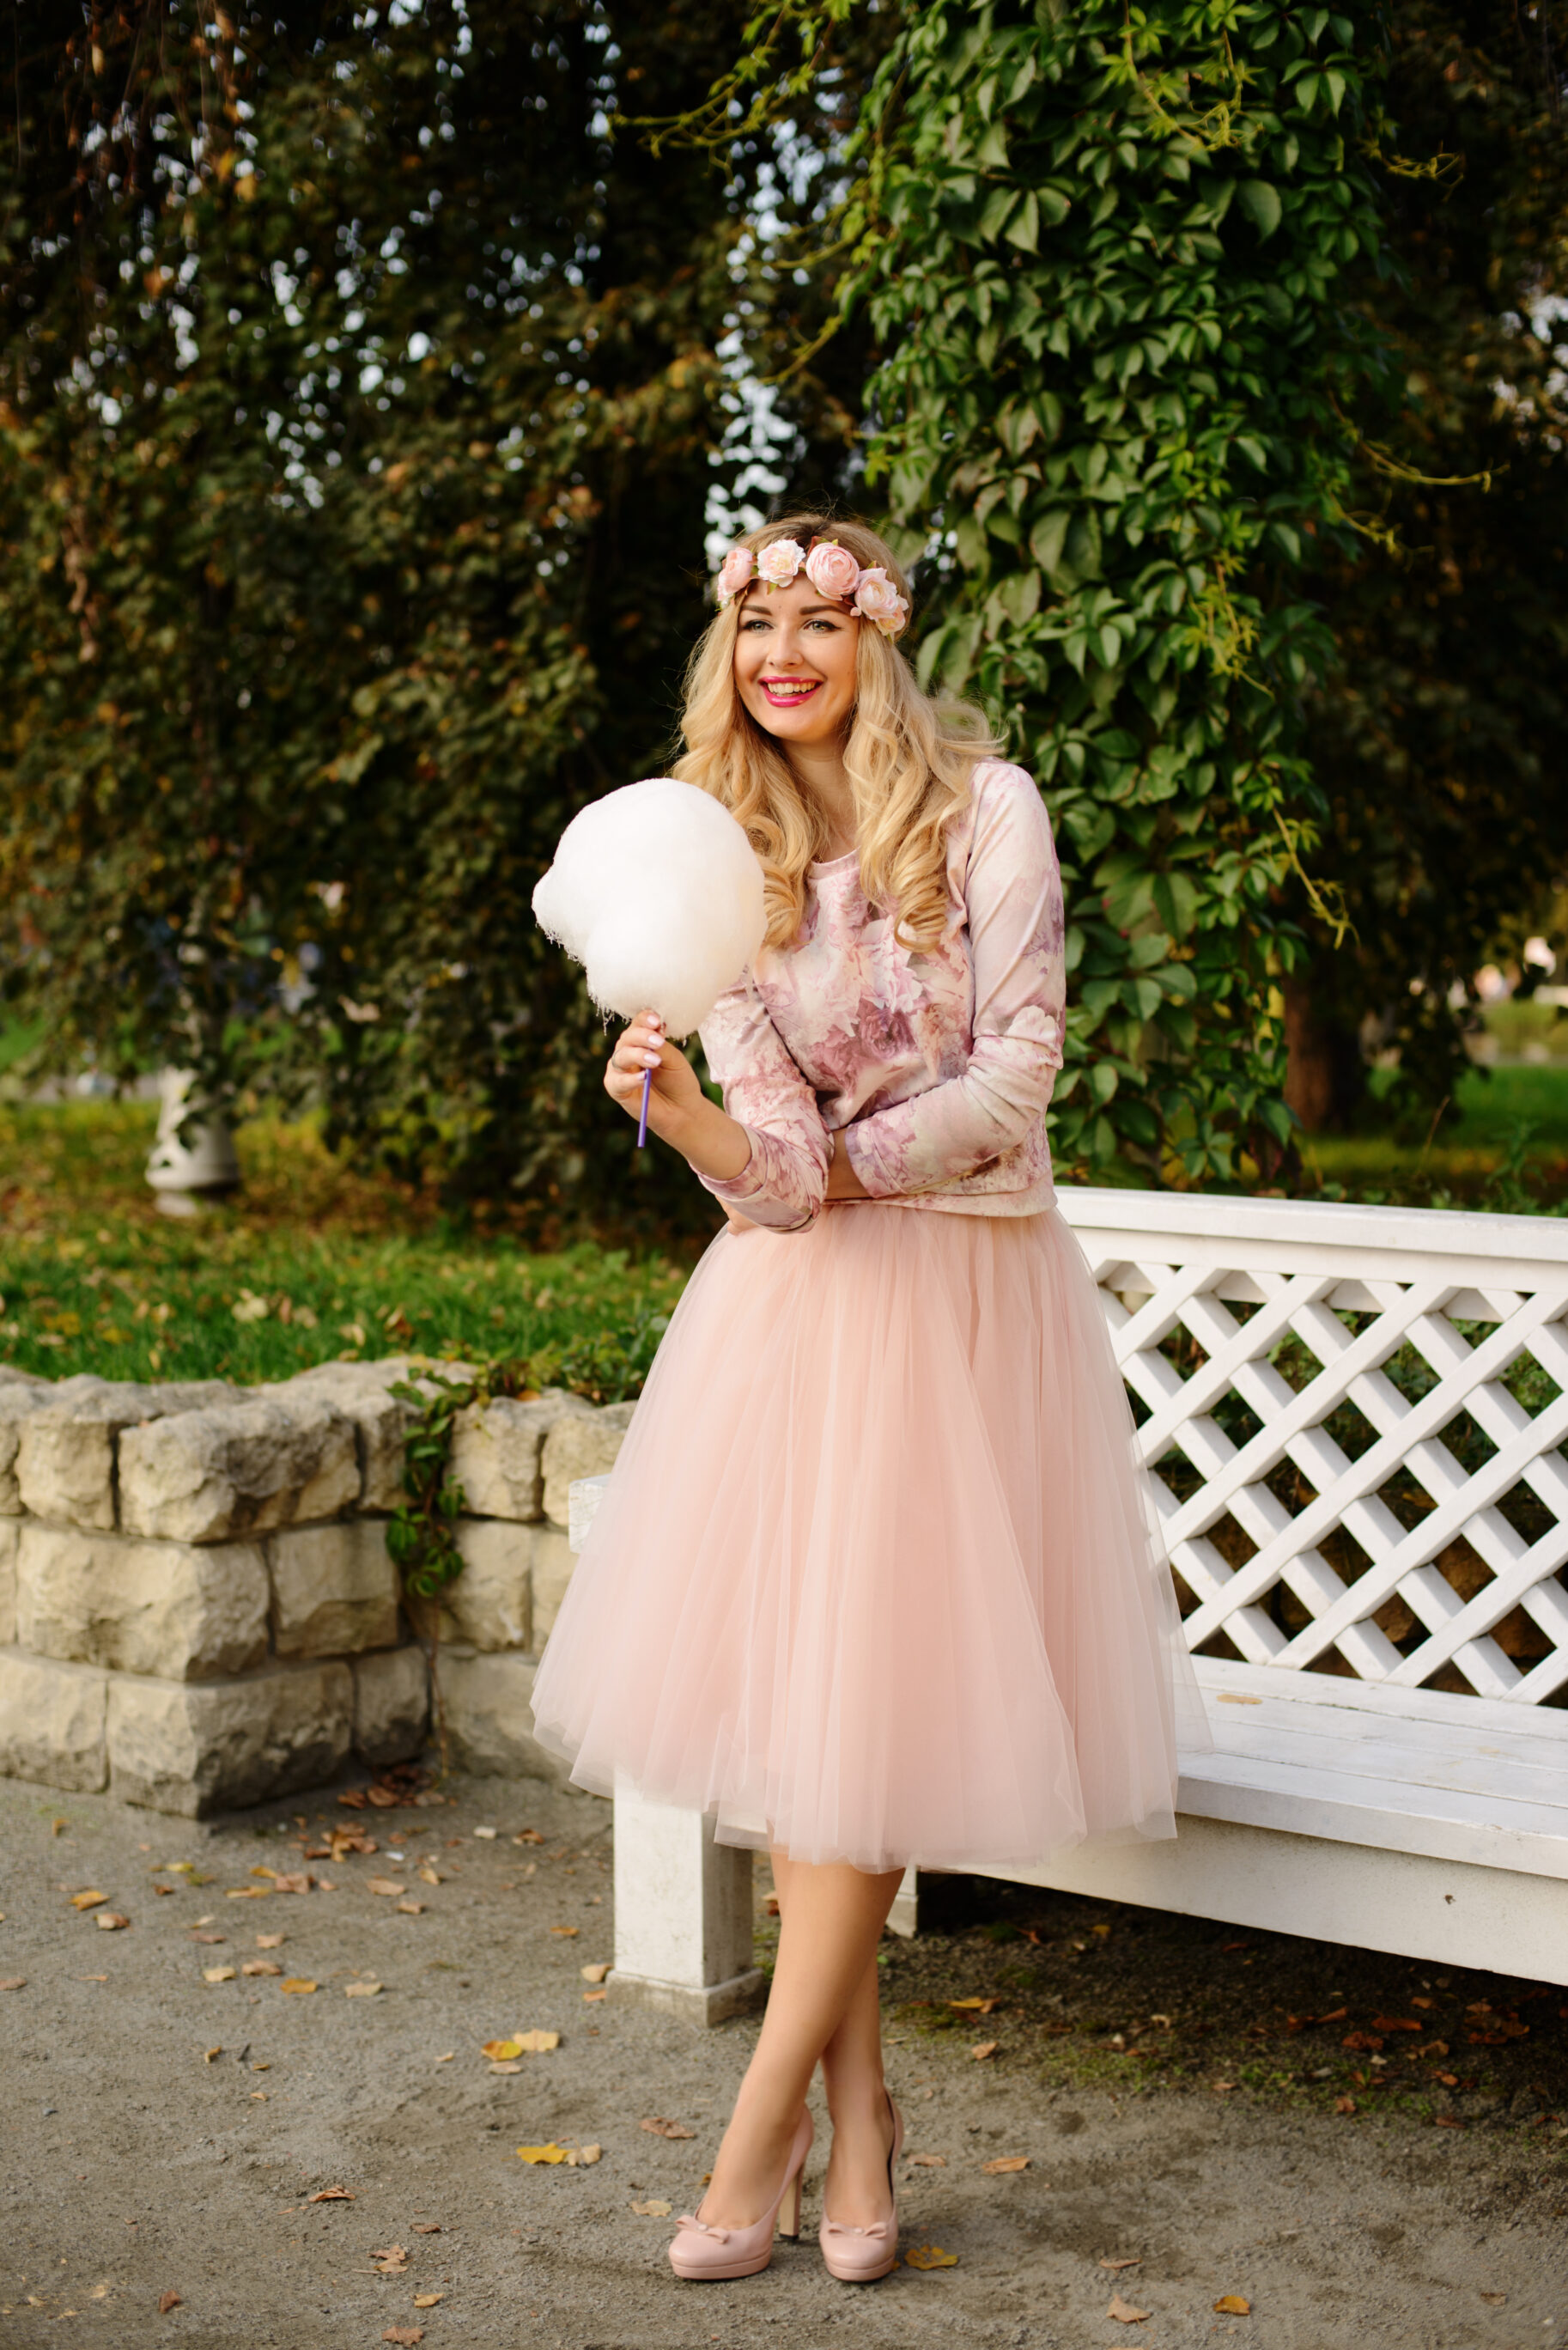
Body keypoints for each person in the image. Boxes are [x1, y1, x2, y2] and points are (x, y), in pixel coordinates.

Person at [529, 515, 1204, 2286]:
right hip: (791, 1316)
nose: (784, 652)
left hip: (963, 1303)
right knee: (822, 1731)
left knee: (863, 1732)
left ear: (876, 639)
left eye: (820, 620)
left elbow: (1022, 1067)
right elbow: (759, 1183)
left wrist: (838, 1162)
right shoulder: (714, 856)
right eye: (755, 622)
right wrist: (677, 1112)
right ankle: (868, 2131)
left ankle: (757, 2138)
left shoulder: (987, 809)